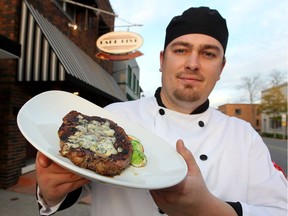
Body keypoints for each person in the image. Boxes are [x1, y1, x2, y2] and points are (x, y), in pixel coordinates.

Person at [36, 7, 287, 216]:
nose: (192, 63)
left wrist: (209, 209)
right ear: (161, 60)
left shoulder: (244, 136)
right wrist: (51, 192)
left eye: (208, 54)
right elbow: (77, 182)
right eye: (181, 50)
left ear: (221, 68)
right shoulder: (114, 117)